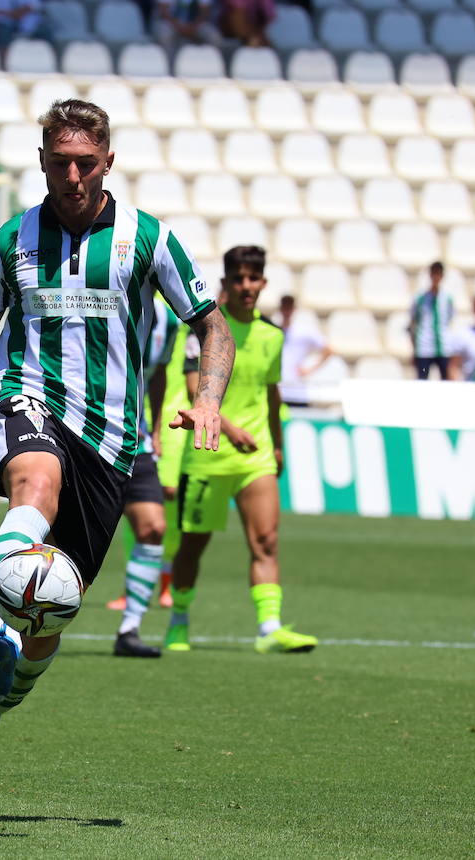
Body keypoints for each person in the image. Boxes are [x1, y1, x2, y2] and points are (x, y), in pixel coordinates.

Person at [0, 98, 233, 804]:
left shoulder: (149, 240)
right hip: (29, 396)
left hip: (113, 439)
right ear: (42, 163)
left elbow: (214, 326)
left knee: (54, 617)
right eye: (60, 163)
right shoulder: (7, 243)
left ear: (108, 161)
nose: (73, 175)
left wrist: (208, 398)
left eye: (86, 163)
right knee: (35, 488)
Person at [165, 245, 315, 655]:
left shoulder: (271, 336)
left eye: (253, 279)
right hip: (209, 452)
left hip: (257, 456)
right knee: (193, 546)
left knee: (265, 540)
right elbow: (197, 386)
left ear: (263, 283)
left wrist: (277, 445)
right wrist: (227, 427)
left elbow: (271, 393)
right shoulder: (206, 330)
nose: (247, 286)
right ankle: (178, 619)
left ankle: (269, 627)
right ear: (226, 283)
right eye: (239, 279)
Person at [108, 295, 180, 658]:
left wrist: (155, 431)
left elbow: (160, 372)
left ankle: (129, 628)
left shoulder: (168, 321)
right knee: (59, 534)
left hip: (135, 438)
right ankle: (14, 626)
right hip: (82, 437)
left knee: (153, 527)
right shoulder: (102, 297)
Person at [276, 294, 334, 408]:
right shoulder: (273, 331)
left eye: (289, 307)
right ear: (280, 309)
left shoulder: (304, 331)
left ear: (294, 309)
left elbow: (328, 350)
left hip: (297, 390)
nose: (287, 311)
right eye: (285, 307)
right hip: (278, 390)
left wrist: (309, 369)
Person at [408, 261, 454, 380]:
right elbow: (413, 323)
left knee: (446, 382)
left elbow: (448, 319)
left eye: (438, 273)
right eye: (434, 273)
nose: (436, 277)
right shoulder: (420, 298)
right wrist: (414, 348)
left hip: (443, 347)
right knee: (422, 382)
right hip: (424, 348)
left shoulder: (447, 298)